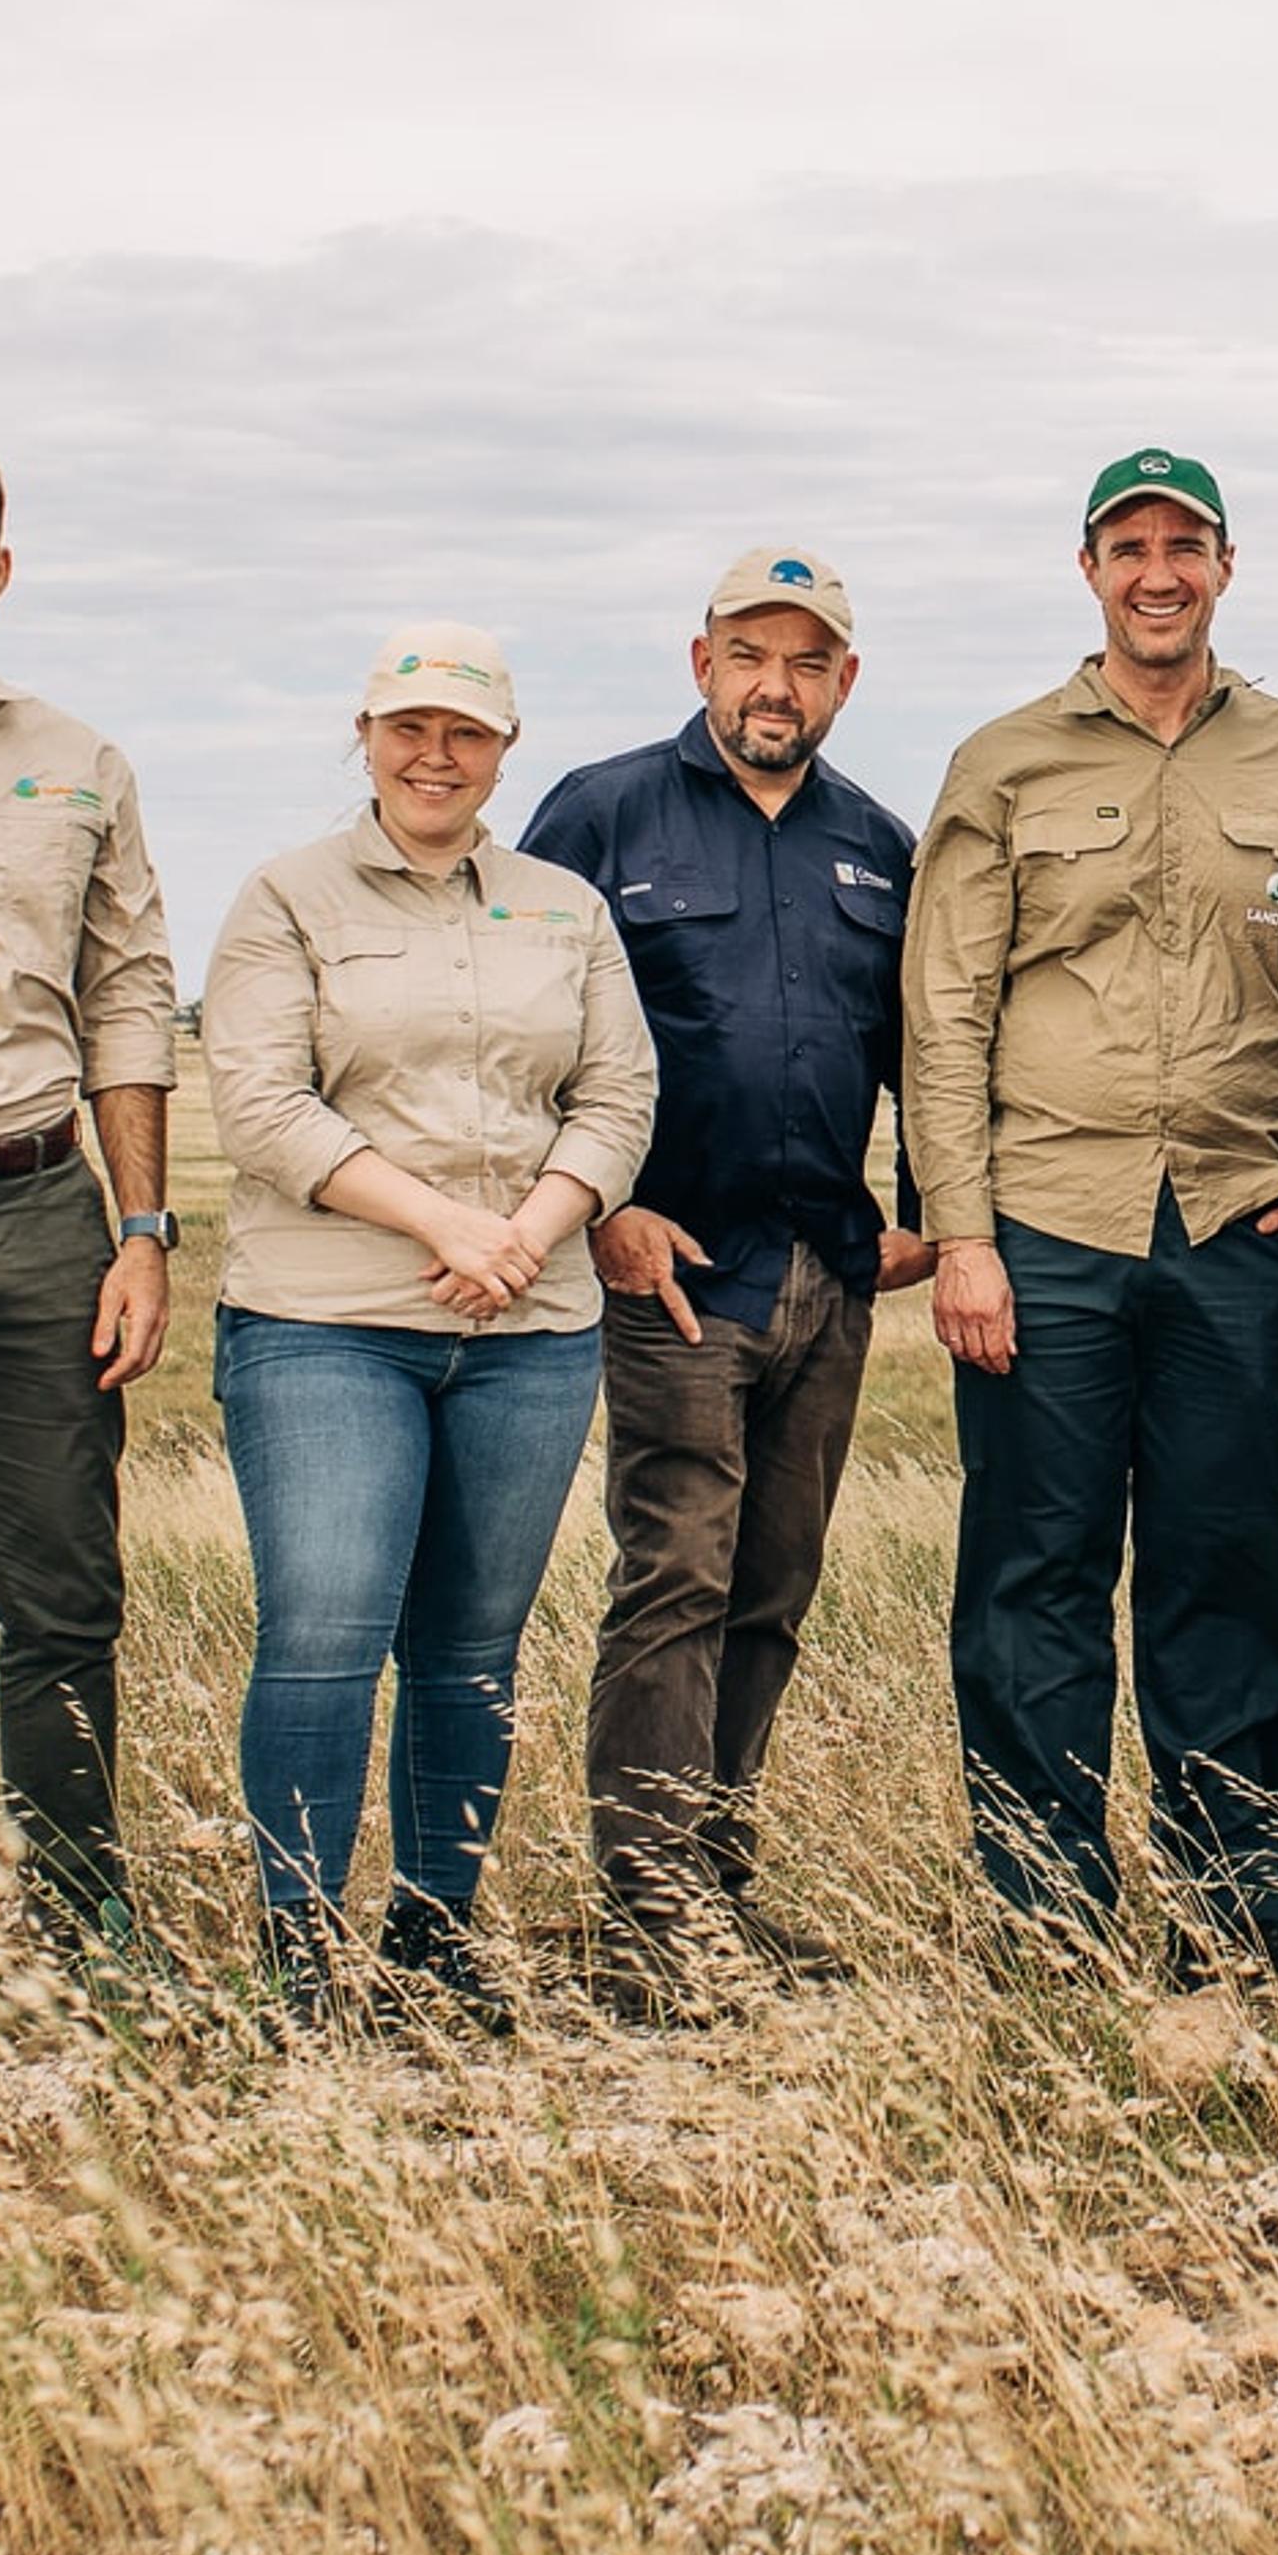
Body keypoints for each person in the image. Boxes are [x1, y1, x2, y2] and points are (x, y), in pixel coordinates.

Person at [903, 449, 1278, 1985]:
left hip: (1241, 1220)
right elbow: (945, 1006)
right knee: (1036, 1569)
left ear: (1227, 563)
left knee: (1225, 1563)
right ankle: (1048, 1918)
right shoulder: (1005, 761)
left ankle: (1237, 1915)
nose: (1157, 571)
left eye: (1185, 545)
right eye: (1128, 545)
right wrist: (961, 1235)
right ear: (1088, 568)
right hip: (1046, 1224)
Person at [201, 624, 655, 2028]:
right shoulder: (285, 897)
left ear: (503, 749)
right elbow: (265, 1105)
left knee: (470, 1648)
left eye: (465, 732)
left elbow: (619, 1094)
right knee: (328, 1629)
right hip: (328, 1319)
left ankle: (434, 1937)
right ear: (367, 734)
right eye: (409, 728)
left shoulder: (563, 906)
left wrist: (527, 1229)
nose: (435, 756)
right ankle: (302, 1956)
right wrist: (446, 1224)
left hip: (530, 1326)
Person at [523, 546, 931, 2011]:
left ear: (845, 680)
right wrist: (603, 1212)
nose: (778, 683)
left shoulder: (880, 842)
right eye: (751, 653)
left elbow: (921, 1045)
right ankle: (651, 1909)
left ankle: (719, 1882)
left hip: (827, 1270)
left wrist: (924, 1215)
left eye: (808, 658)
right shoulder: (600, 809)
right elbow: (529, 1026)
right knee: (676, 1571)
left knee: (772, 1584)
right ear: (702, 663)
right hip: (676, 1270)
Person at [0, 427, 177, 1959]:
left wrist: (141, 1233)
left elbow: (130, 1001)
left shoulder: (81, 763)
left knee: (66, 1601)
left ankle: (81, 1935)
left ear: (3, 568)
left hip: (37, 1208)